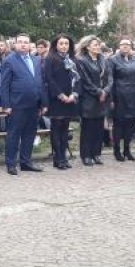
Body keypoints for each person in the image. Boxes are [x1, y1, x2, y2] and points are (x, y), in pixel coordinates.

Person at [0, 34, 48, 175]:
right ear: (15, 45)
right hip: (17, 105)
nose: (23, 45)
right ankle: (11, 164)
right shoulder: (9, 61)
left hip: (34, 104)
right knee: (13, 135)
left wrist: (44, 103)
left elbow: (41, 83)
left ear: (29, 44)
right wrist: (6, 105)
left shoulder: (37, 60)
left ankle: (26, 162)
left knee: (29, 135)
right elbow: (5, 85)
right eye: (20, 42)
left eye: (26, 42)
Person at [75, 35, 112, 166]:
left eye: (98, 45)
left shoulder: (103, 59)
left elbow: (110, 77)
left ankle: (96, 154)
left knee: (99, 128)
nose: (97, 47)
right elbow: (84, 80)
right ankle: (86, 155)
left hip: (102, 99)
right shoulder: (81, 61)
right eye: (94, 45)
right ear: (87, 47)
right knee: (88, 129)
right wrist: (98, 92)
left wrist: (106, 91)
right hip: (89, 98)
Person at [43, 34, 79, 170]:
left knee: (65, 129)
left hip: (70, 99)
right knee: (56, 129)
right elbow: (49, 79)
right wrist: (60, 94)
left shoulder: (73, 60)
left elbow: (78, 79)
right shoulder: (51, 58)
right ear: (56, 45)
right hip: (57, 99)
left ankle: (64, 157)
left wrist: (74, 94)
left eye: (66, 44)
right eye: (61, 43)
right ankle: (58, 158)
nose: (64, 46)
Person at [108, 37, 135, 162]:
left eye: (128, 44)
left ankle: (127, 150)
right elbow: (110, 80)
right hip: (120, 95)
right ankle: (117, 150)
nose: (125, 46)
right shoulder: (113, 60)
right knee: (119, 124)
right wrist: (111, 98)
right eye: (123, 44)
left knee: (132, 123)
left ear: (131, 47)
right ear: (119, 47)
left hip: (134, 95)